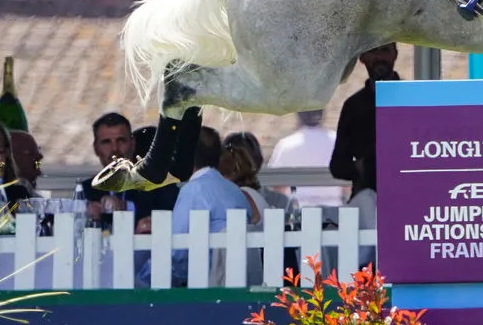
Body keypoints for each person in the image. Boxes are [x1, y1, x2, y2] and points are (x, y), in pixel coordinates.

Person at [137, 126, 247, 288]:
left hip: (204, 286)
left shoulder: (194, 190)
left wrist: (141, 277)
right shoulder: (235, 191)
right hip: (235, 282)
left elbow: (176, 253)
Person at [330, 44, 399, 269]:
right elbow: (337, 165)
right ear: (362, 58)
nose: (379, 57)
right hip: (366, 200)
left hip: (407, 200)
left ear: (396, 54)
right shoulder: (353, 106)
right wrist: (361, 167)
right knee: (363, 275)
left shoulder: (413, 98)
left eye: (386, 50)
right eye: (373, 51)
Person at [267, 111, 343, 207]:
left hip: (299, 213)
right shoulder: (338, 141)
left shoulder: (286, 145)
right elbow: (348, 185)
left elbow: (277, 187)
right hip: (335, 213)